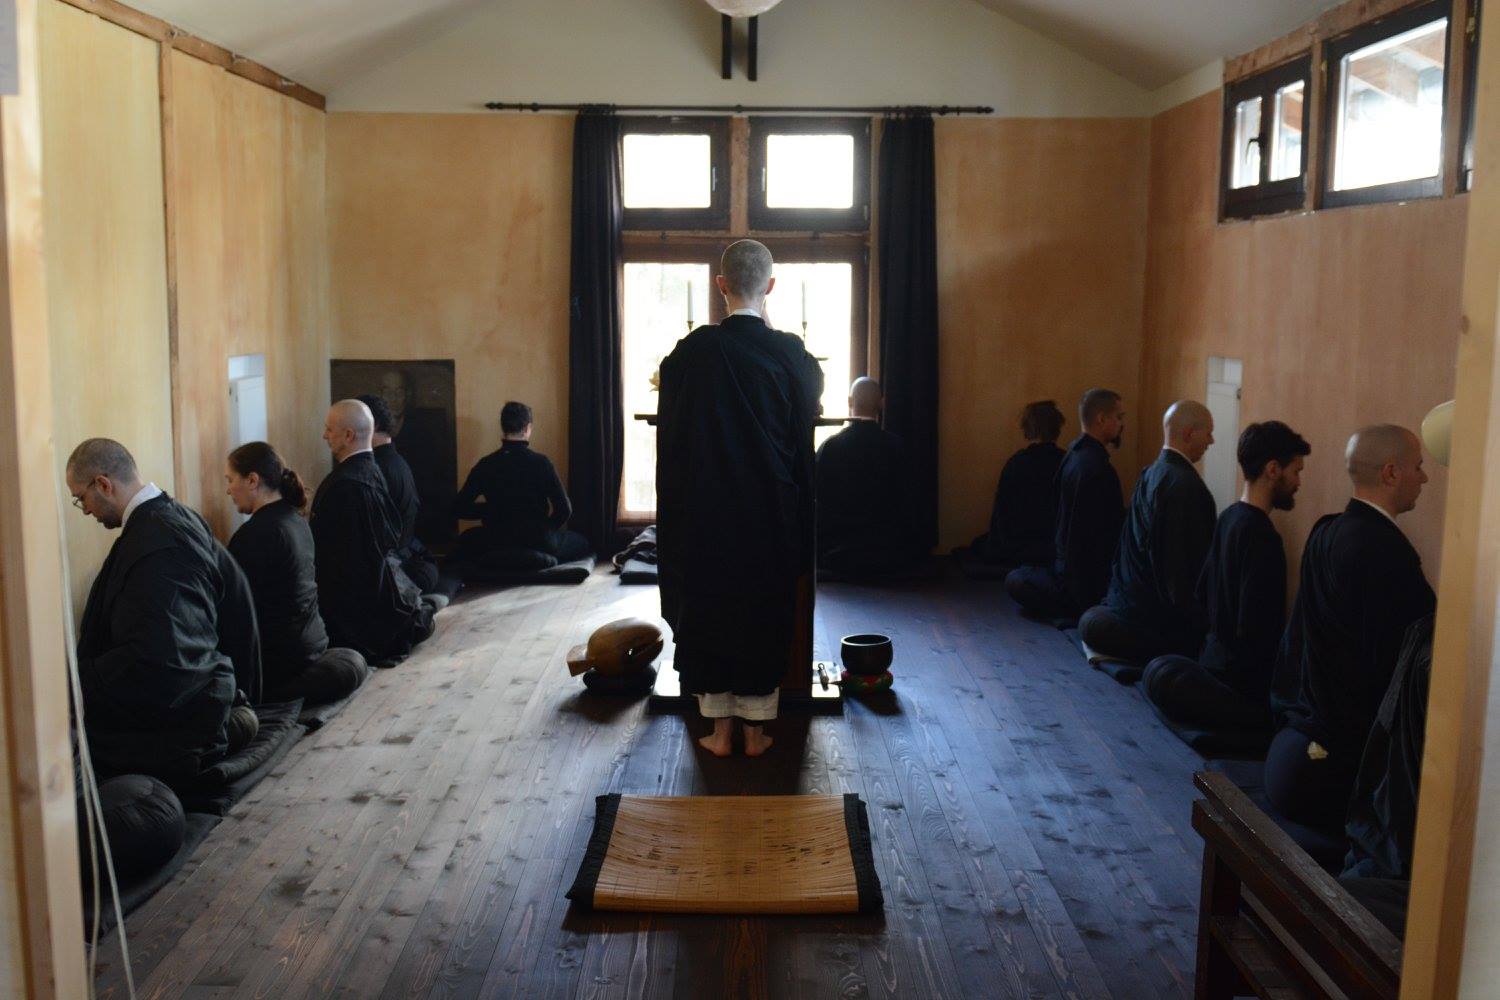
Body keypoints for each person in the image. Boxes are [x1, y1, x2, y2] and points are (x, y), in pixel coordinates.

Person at [657, 239, 823, 757]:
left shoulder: (693, 351)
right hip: (770, 508)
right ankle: (755, 733)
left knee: (708, 606)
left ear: (720, 284)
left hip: (706, 508)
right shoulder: (788, 351)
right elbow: (810, 402)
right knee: (763, 608)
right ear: (770, 286)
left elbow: (672, 422)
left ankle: (719, 731)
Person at [1266, 425, 1436, 830]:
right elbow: (1399, 675)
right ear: (1391, 473)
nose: (1425, 478)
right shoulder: (1386, 552)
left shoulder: (1327, 531)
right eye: (1418, 467)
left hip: (1292, 746)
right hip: (1337, 771)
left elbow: (1296, 647)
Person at [66, 438, 259, 787]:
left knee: (78, 750)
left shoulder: (155, 540)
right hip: (208, 686)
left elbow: (157, 657)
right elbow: (237, 594)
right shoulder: (177, 517)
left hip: (184, 712)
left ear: (104, 484)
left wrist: (76, 682)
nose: (85, 511)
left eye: (81, 498)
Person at [1142, 421, 1310, 735]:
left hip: (1211, 665)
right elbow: (1256, 632)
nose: (1298, 482)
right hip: (1238, 685)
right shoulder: (1262, 537)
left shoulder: (1228, 516)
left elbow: (1202, 596)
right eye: (1296, 471)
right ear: (1273, 469)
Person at [225, 441, 370, 705]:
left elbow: (238, 615)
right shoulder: (296, 520)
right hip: (313, 646)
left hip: (284, 662)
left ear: (252, 480)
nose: (228, 490)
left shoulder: (254, 535)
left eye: (230, 479)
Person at [1078, 400, 1218, 664]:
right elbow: (1180, 572)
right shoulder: (1186, 487)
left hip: (1132, 606)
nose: (1211, 441)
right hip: (1152, 618)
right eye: (1208, 433)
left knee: (1093, 622)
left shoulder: (1153, 473)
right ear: (1189, 433)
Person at [311, 399, 438, 664]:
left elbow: (342, 563)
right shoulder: (371, 470)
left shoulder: (347, 484)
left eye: (329, 429)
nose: (324, 436)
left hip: (356, 606)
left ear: (348, 435)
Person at [1004, 389, 1126, 623]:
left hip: (1073, 574)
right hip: (1077, 576)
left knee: (1017, 578)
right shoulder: (1090, 464)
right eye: (1119, 417)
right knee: (1019, 578)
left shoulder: (1077, 458)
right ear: (1101, 419)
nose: (1121, 424)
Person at [451, 401, 592, 570]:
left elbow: (459, 508)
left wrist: (490, 509)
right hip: (537, 540)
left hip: (497, 539)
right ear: (527, 428)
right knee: (582, 542)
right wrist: (546, 530)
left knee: (467, 539)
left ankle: (504, 559)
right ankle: (541, 559)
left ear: (503, 427)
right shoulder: (541, 463)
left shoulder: (486, 464)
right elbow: (564, 509)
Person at [815, 377, 923, 578]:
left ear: (849, 402)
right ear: (882, 403)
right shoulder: (897, 448)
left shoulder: (829, 448)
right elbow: (909, 504)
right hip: (888, 553)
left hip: (837, 553)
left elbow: (817, 502)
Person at [357, 393, 440, 593]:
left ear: (373, 425)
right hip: (406, 561)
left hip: (398, 572)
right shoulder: (395, 462)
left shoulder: (378, 468)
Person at [975, 400, 1067, 567]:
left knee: (978, 545)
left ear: (1027, 428)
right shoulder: (1068, 462)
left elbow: (1001, 514)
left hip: (1018, 545)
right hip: (1056, 545)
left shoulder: (1016, 463)